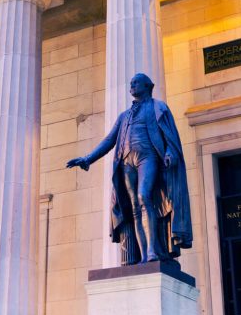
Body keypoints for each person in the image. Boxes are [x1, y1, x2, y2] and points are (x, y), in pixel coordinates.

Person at [67, 73, 192, 264]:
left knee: (144, 196)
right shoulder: (124, 116)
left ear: (148, 86)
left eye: (136, 82)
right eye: (131, 83)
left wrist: (169, 152)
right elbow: (110, 140)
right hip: (125, 161)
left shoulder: (158, 107)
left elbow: (170, 135)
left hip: (148, 156)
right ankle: (144, 255)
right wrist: (88, 158)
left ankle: (152, 250)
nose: (132, 85)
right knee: (134, 207)